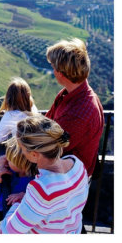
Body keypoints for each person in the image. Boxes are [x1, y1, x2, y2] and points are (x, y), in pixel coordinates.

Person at [0, 114, 89, 234]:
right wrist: (28, 198)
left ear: (34, 155)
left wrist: (19, 203)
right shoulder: (76, 163)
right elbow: (59, 201)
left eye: (21, 148)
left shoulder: (41, 189)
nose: (21, 152)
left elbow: (8, 231)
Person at [45, 38, 104, 177]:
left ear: (60, 73)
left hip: (69, 180)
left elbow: (53, 148)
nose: (53, 71)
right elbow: (47, 121)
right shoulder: (69, 93)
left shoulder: (78, 113)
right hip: (65, 171)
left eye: (53, 67)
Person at [0, 141, 37, 216]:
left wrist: (26, 196)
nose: (5, 159)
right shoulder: (8, 169)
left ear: (21, 165)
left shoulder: (35, 180)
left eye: (9, 159)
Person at [0, 77, 38, 144]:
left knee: (1, 155)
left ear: (8, 97)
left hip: (23, 151)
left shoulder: (10, 115)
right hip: (35, 147)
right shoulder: (33, 109)